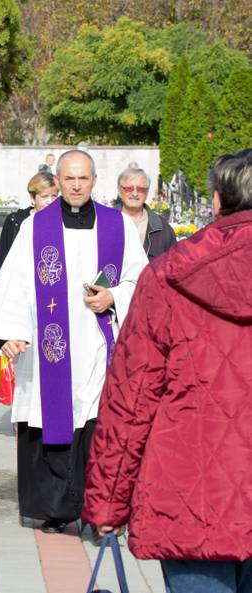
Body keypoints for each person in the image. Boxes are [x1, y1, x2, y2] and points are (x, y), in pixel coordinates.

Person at [83, 149, 252, 593]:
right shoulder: (167, 278)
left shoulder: (167, 276)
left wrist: (107, 504)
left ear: (216, 202)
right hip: (194, 497)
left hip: (191, 497)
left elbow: (131, 400)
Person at [0, 150, 147, 533]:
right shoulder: (36, 227)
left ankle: (97, 509)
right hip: (48, 348)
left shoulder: (117, 226)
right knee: (50, 423)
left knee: (96, 426)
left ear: (94, 181)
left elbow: (142, 281)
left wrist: (113, 297)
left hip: (99, 344)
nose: (75, 185)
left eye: (82, 178)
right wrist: (11, 332)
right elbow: (16, 283)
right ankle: (53, 510)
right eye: (68, 179)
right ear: (58, 181)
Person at [0, 171, 59, 278]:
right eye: (44, 196)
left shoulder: (60, 222)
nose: (50, 201)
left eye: (54, 196)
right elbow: (3, 259)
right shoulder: (15, 221)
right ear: (32, 198)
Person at [113, 166, 177, 260]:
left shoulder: (162, 228)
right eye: (129, 188)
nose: (135, 194)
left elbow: (173, 264)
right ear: (119, 191)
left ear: (147, 192)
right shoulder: (104, 222)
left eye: (141, 189)